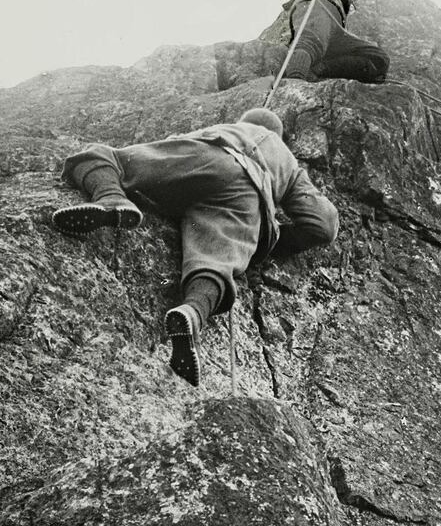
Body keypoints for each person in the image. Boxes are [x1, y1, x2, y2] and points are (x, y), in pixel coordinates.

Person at [53, 108, 339, 387]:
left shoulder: (227, 129)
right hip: (247, 196)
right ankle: (193, 312)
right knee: (215, 262)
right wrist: (268, 241)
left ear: (243, 122)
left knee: (102, 155)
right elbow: (324, 224)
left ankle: (111, 197)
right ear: (281, 135)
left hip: (208, 155)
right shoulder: (288, 162)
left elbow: (171, 143)